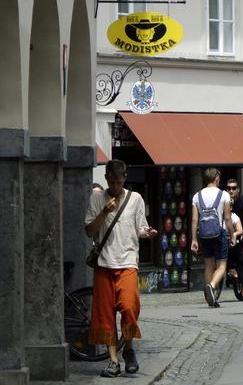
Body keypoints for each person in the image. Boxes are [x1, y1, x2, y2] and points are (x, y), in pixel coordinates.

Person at [84, 159, 158, 378]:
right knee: (105, 314)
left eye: (119, 182)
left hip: (127, 262)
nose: (115, 186)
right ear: (106, 178)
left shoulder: (135, 199)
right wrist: (104, 213)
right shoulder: (97, 198)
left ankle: (128, 348)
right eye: (112, 182)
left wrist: (148, 233)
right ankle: (113, 362)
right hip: (104, 264)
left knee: (128, 307)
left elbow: (140, 228)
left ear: (125, 178)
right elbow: (89, 231)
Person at [190, 168, 236, 308]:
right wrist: (232, 234)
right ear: (217, 178)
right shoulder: (224, 195)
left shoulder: (197, 196)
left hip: (204, 235)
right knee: (222, 265)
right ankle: (212, 285)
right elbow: (227, 218)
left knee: (208, 264)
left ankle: (211, 296)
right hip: (219, 233)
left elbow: (194, 219)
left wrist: (194, 239)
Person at [226, 178, 243, 299]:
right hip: (228, 233)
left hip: (242, 231)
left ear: (238, 190)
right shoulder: (224, 200)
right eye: (229, 188)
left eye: (233, 188)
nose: (231, 191)